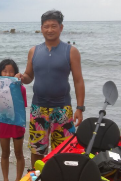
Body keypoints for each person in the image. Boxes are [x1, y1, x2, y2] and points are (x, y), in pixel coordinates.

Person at [20, 10, 85, 169]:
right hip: (38, 108)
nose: (50, 30)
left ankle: (60, 179)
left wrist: (80, 108)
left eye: (53, 26)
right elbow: (29, 76)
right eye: (46, 26)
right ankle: (35, 177)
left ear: (61, 28)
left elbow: (78, 80)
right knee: (37, 149)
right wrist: (21, 78)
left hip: (62, 109)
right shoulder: (34, 51)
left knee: (63, 150)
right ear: (41, 28)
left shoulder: (71, 51)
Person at [0, 59, 28, 181]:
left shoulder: (21, 89)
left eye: (11, 71)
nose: (7, 74)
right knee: (5, 153)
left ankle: (18, 180)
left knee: (19, 153)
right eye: (5, 71)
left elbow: (22, 107)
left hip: (17, 124)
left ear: (16, 73)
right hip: (4, 124)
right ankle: (5, 180)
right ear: (0, 72)